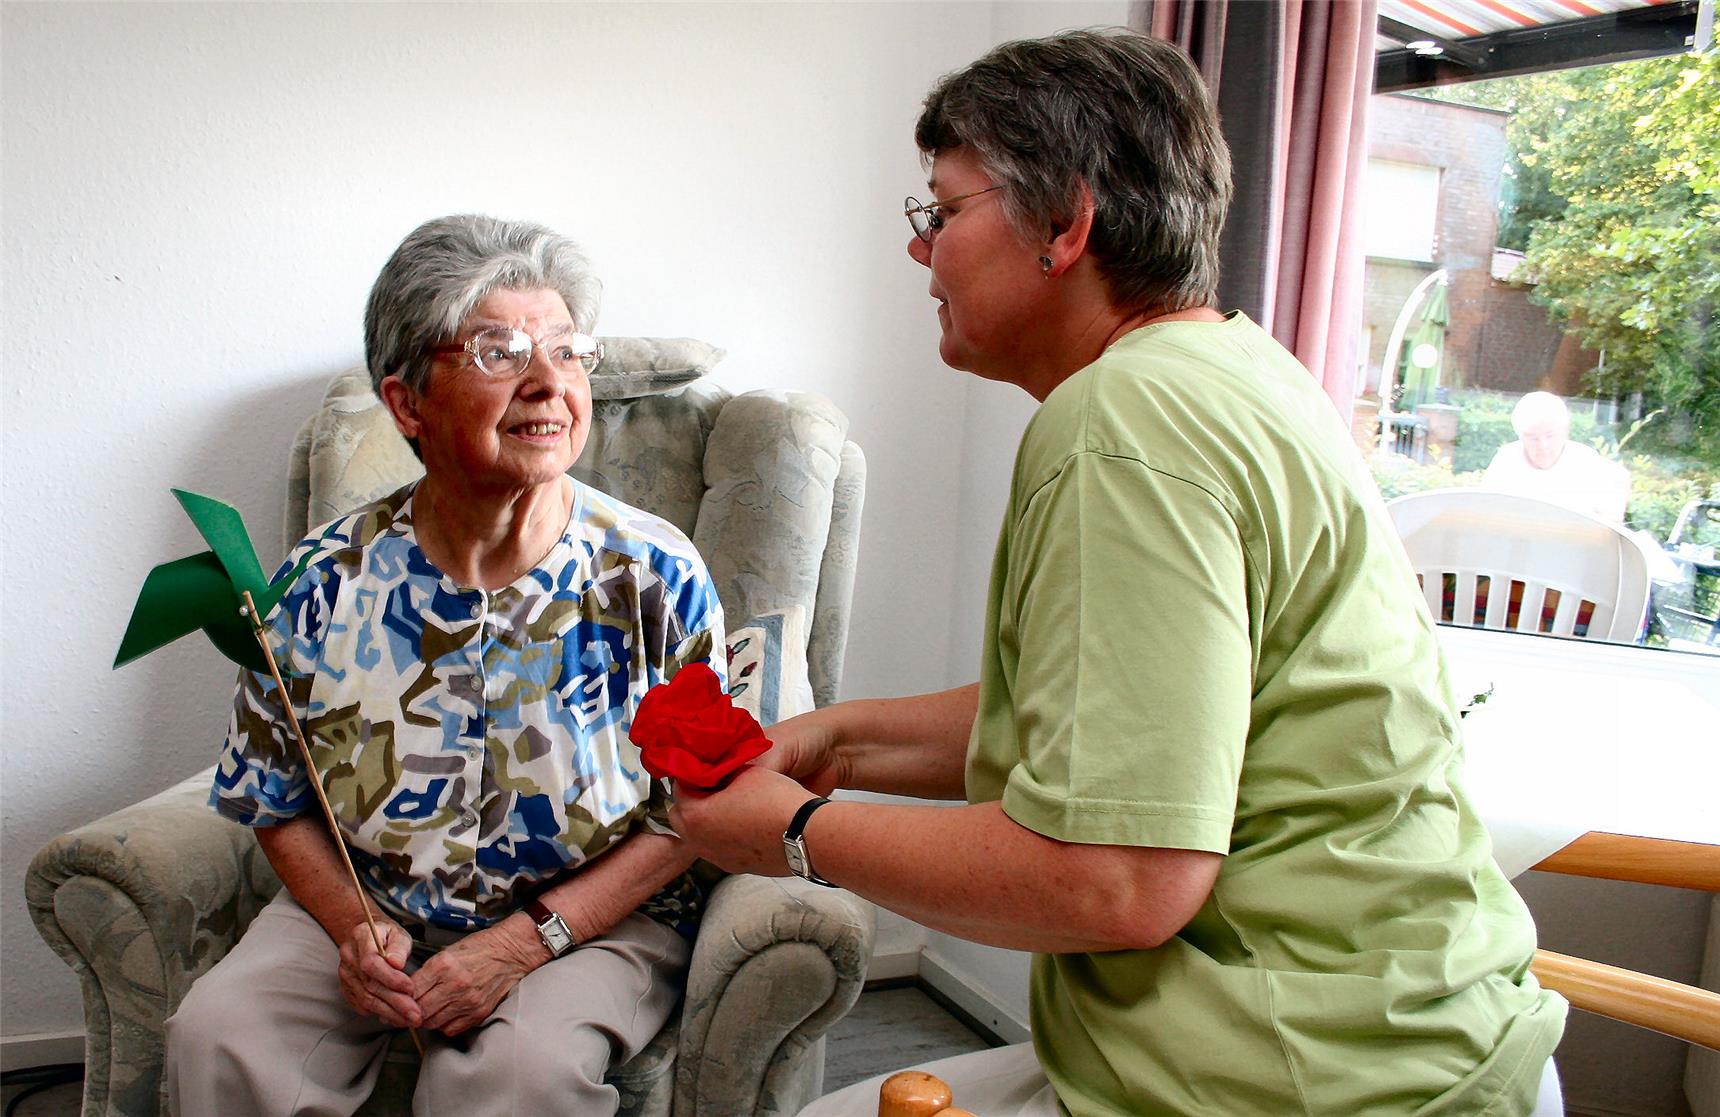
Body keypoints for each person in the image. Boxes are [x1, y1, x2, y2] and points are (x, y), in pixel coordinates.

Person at [671, 29, 1566, 1116]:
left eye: (943, 212)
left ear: (1064, 224)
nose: (922, 251)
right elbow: (1126, 732)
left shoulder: (1122, 424)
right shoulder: (1232, 366)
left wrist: (794, 835)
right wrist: (842, 738)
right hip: (1404, 1037)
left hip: (1322, 1080)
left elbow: (1117, 876)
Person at [165, 214, 723, 1116]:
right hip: (376, 903)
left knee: (514, 1078)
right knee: (220, 1034)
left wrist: (522, 943)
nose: (549, 384)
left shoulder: (655, 575)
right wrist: (358, 930)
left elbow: (700, 811)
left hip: (586, 920)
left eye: (569, 352)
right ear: (408, 402)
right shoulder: (320, 580)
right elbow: (274, 796)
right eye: (500, 353)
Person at [1483, 390, 1631, 522]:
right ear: (1520, 437)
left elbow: (1609, 521)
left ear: (1565, 431)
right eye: (1533, 438)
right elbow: (1486, 512)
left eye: (1550, 435)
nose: (1543, 445)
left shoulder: (1586, 460)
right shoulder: (1507, 459)